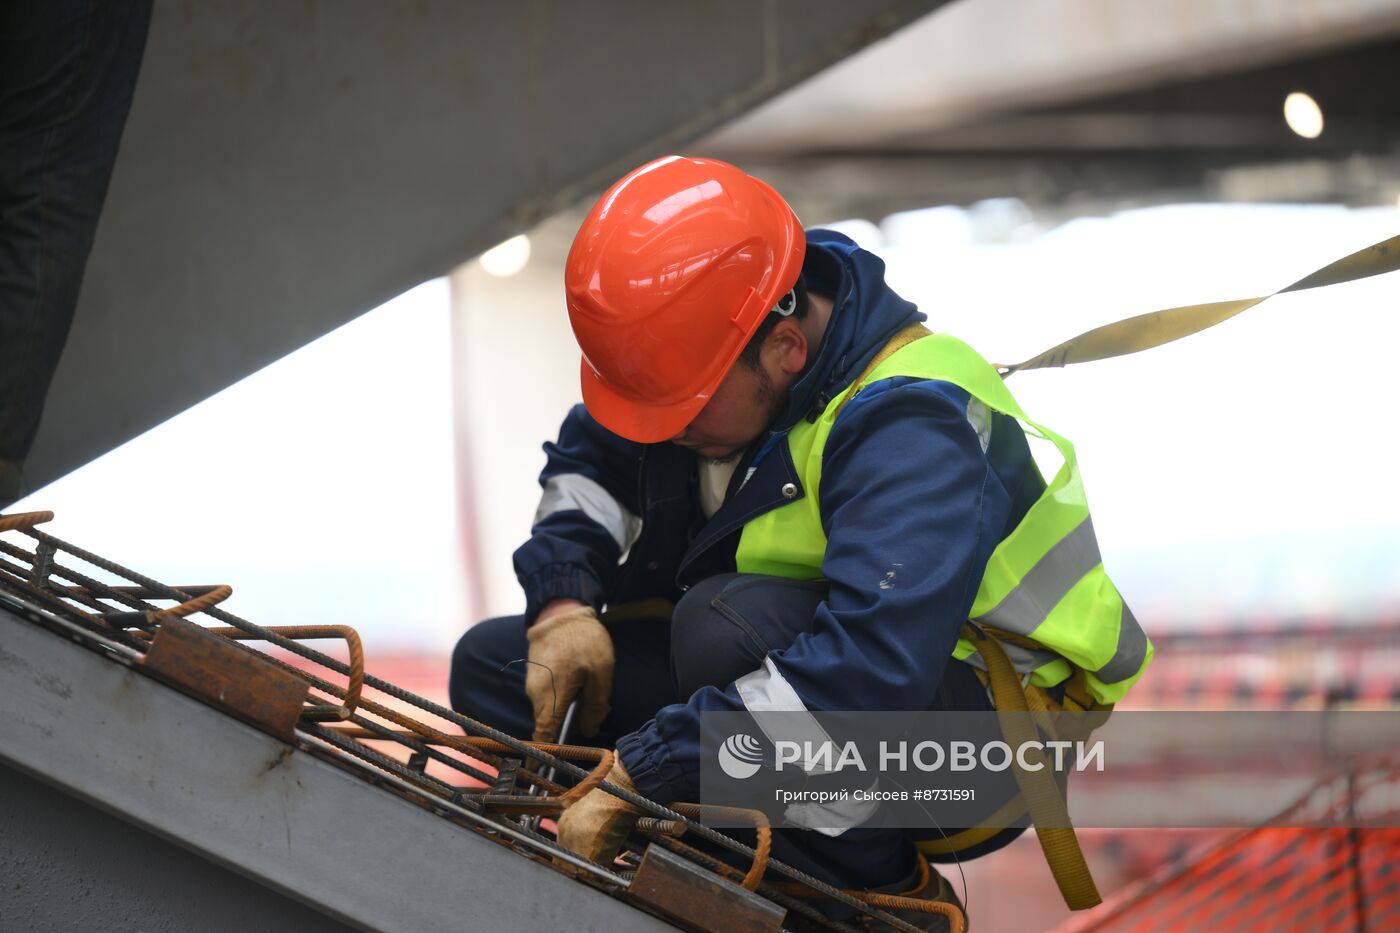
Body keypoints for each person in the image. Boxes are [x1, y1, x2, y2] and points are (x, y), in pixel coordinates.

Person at [449, 156, 1150, 921]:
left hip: (973, 742)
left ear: (785, 349)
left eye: (683, 411)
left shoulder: (912, 423)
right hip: (809, 683)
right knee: (496, 668)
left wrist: (647, 770)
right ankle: (724, 840)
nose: (669, 432)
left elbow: (865, 682)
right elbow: (592, 464)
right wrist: (563, 602)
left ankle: (884, 899)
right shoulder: (712, 360)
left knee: (718, 629)